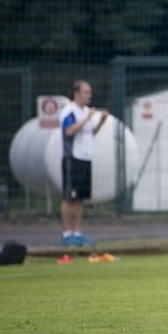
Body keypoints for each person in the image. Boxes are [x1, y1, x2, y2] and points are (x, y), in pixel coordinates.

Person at [59, 80, 108, 247]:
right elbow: (69, 131)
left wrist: (101, 121)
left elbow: (90, 133)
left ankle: (77, 232)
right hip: (72, 158)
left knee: (80, 198)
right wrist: (88, 118)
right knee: (69, 197)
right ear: (77, 93)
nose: (89, 95)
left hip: (86, 158)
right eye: (86, 92)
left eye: (90, 92)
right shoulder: (69, 111)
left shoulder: (86, 111)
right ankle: (67, 234)